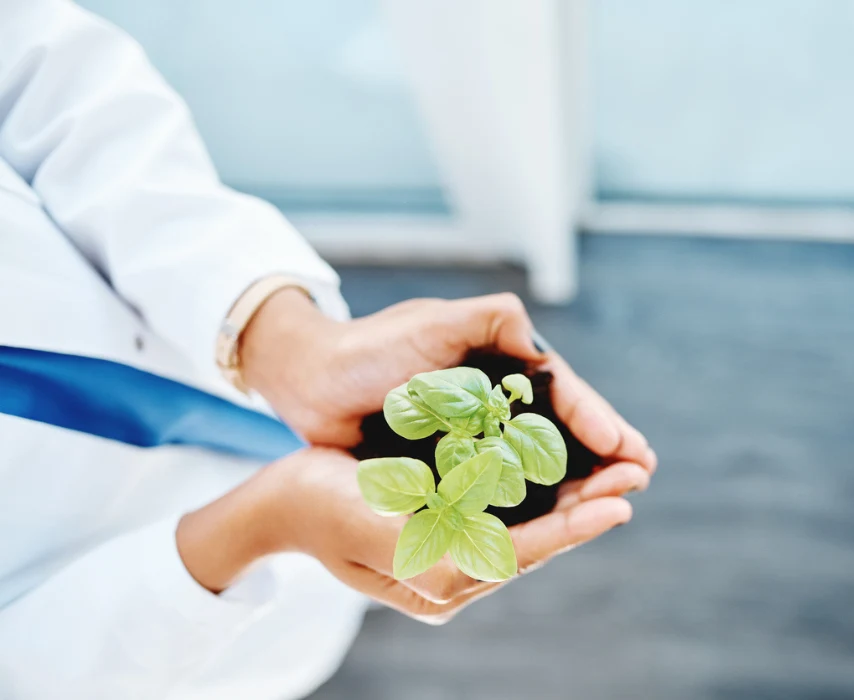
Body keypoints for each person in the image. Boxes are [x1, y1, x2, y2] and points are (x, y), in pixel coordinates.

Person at [0, 1, 656, 698]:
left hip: (193, 349)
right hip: (149, 614)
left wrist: (285, 341)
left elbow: (36, 71)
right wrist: (264, 524)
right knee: (334, 583)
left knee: (377, 538)